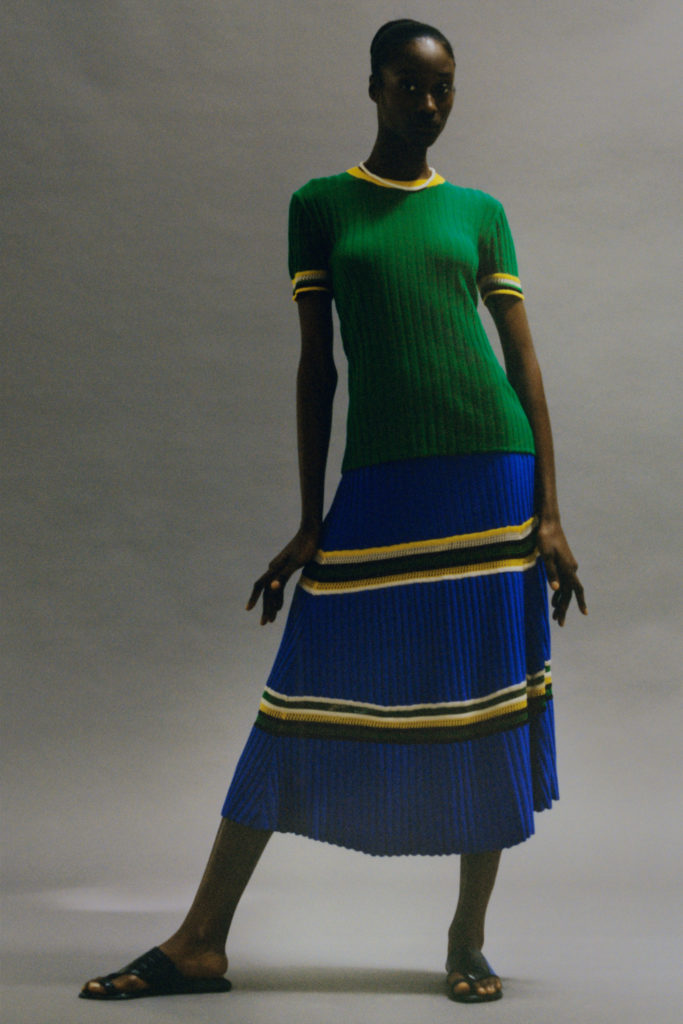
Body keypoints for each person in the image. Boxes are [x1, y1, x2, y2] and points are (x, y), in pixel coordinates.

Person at [80, 18, 586, 1005]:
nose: (427, 104)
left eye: (442, 87)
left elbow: (522, 362)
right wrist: (311, 519)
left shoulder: (479, 212)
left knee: (482, 700)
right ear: (372, 87)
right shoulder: (319, 206)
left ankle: (466, 937)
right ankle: (200, 942)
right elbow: (318, 367)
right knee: (295, 698)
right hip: (382, 482)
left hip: (490, 476)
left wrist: (552, 513)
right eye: (408, 85)